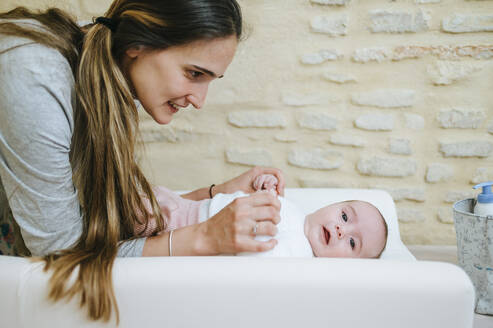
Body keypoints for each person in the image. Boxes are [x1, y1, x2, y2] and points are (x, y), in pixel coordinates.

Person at [0, 0, 285, 323]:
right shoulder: (36, 76)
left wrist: (212, 195)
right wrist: (204, 237)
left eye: (210, 80)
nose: (200, 101)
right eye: (194, 73)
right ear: (139, 44)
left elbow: (103, 217)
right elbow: (62, 253)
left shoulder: (107, 74)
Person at [137, 174, 388, 259]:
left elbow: (260, 256)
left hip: (179, 227)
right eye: (344, 216)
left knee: (130, 217)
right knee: (138, 198)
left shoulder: (298, 251)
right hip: (187, 206)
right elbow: (254, 201)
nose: (342, 230)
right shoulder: (297, 212)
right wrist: (264, 186)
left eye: (353, 243)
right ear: (329, 206)